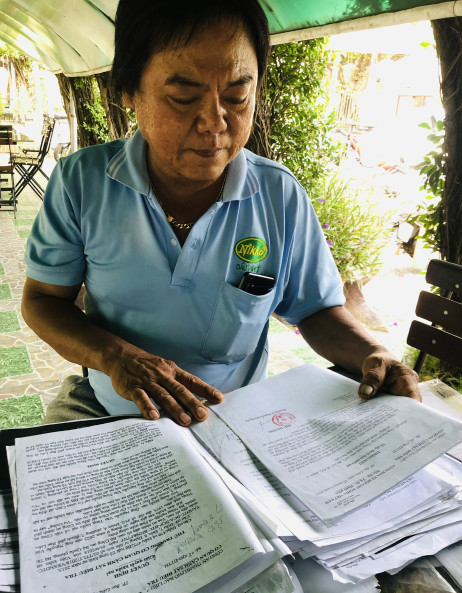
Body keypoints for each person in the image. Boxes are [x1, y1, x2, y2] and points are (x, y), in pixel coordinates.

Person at [21, 0, 420, 427]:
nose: (214, 122)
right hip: (111, 410)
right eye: (183, 97)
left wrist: (372, 352)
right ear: (130, 92)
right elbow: (43, 300)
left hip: (234, 419)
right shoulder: (82, 182)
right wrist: (116, 357)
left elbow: (315, 310)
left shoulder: (279, 195)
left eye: (236, 96)